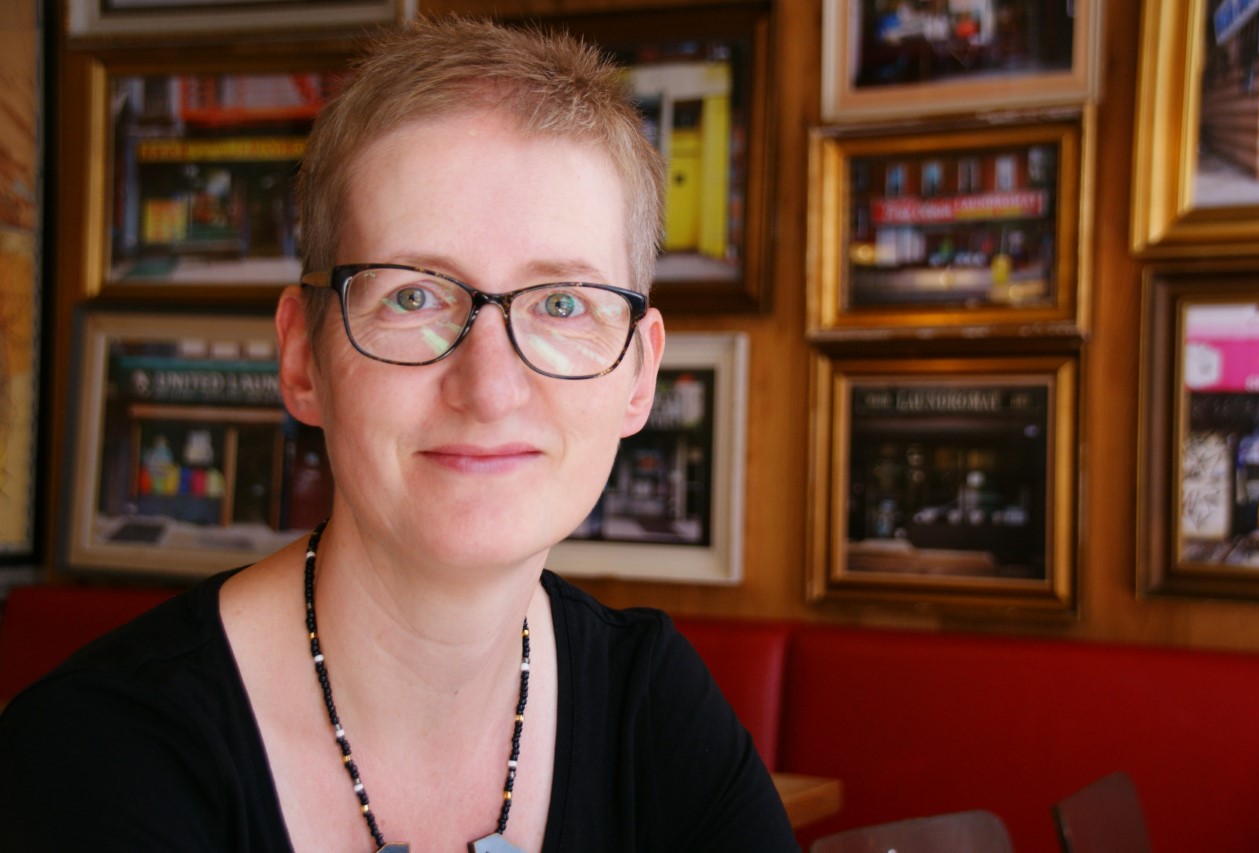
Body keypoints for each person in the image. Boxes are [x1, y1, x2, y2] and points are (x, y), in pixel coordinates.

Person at [0, 16, 800, 852]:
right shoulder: (97, 754)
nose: (489, 388)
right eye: (413, 296)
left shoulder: (652, 703)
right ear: (304, 357)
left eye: (562, 303)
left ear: (638, 374)